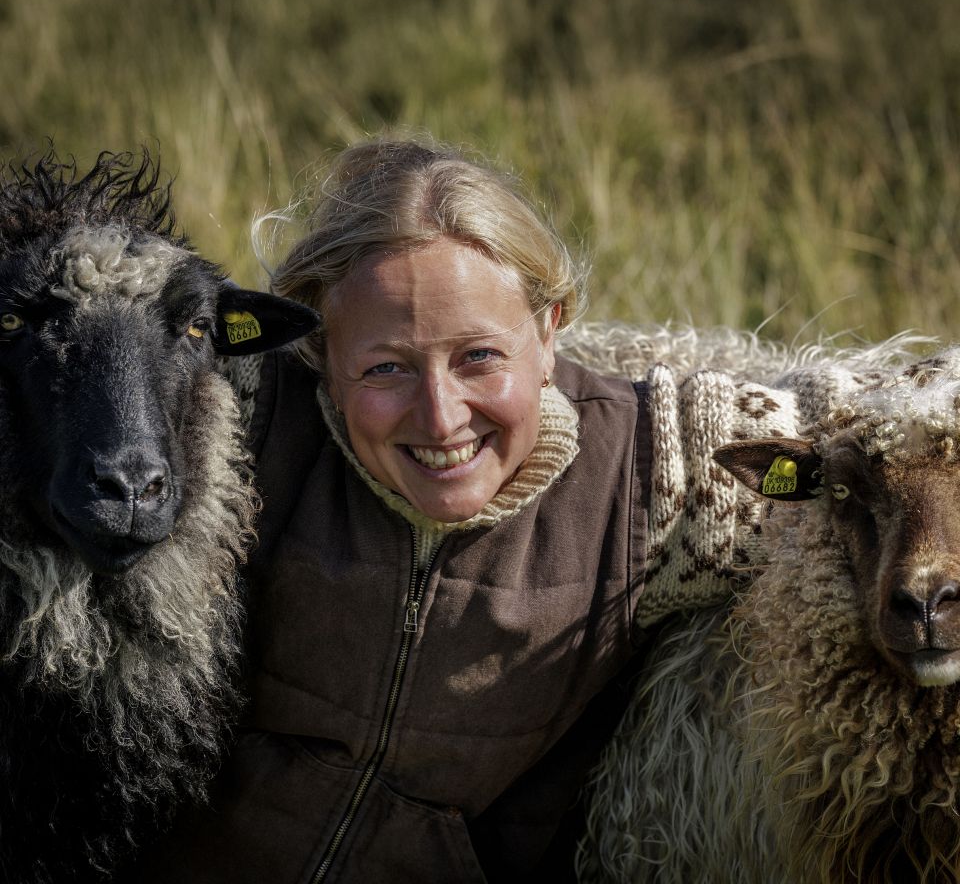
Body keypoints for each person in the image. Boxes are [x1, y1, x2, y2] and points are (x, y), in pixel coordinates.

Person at [133, 136, 840, 883]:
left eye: (479, 357)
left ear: (548, 330)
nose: (440, 419)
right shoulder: (243, 428)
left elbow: (879, 437)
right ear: (321, 354)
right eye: (385, 367)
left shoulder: (654, 475)